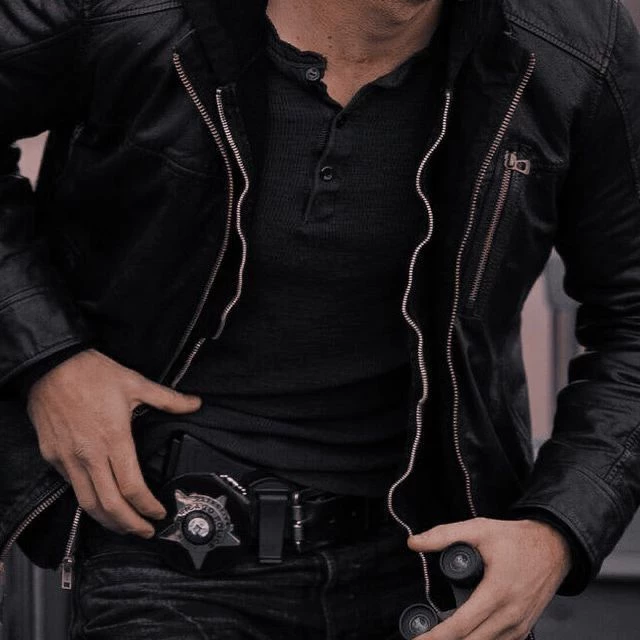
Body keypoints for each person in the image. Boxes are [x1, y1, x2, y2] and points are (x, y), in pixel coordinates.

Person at [1, 0, 640, 637]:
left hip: (431, 565)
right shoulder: (125, 11)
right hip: (166, 543)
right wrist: (50, 360)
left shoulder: (575, 47)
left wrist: (555, 530)